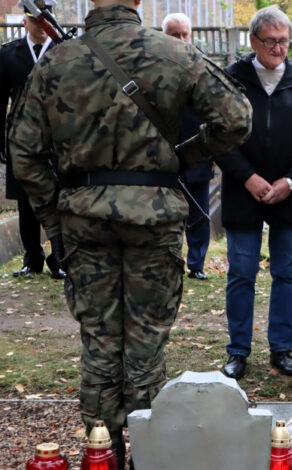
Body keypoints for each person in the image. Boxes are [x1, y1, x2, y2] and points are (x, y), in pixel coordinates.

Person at [7, 0, 252, 467]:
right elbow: (236, 118)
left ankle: (103, 453)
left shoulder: (57, 60)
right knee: (146, 345)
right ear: (137, 1)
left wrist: (56, 218)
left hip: (84, 219)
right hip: (154, 219)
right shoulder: (175, 53)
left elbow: (23, 152)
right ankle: (146, 453)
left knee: (99, 341)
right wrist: (184, 156)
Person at [217, 6, 292, 380]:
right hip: (242, 190)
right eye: (271, 42)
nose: (279, 49)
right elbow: (218, 135)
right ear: (253, 41)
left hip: (288, 193)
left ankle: (282, 349)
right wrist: (248, 177)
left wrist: (291, 181)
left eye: (284, 41)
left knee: (286, 274)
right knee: (242, 273)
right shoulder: (233, 79)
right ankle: (238, 351)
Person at [0, 0, 65, 280]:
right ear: (25, 22)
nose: (40, 26)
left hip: (59, 139)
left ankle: (60, 258)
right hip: (22, 139)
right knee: (26, 202)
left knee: (61, 198)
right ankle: (32, 258)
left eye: (44, 21)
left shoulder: (64, 51)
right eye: (35, 21)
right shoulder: (9, 54)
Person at [162, 12, 214, 281]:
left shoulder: (204, 67)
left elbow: (214, 111)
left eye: (185, 34)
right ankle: (170, 261)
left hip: (198, 152)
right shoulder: (154, 67)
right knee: (168, 213)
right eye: (175, 34)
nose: (182, 39)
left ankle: (197, 264)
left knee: (200, 212)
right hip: (164, 155)